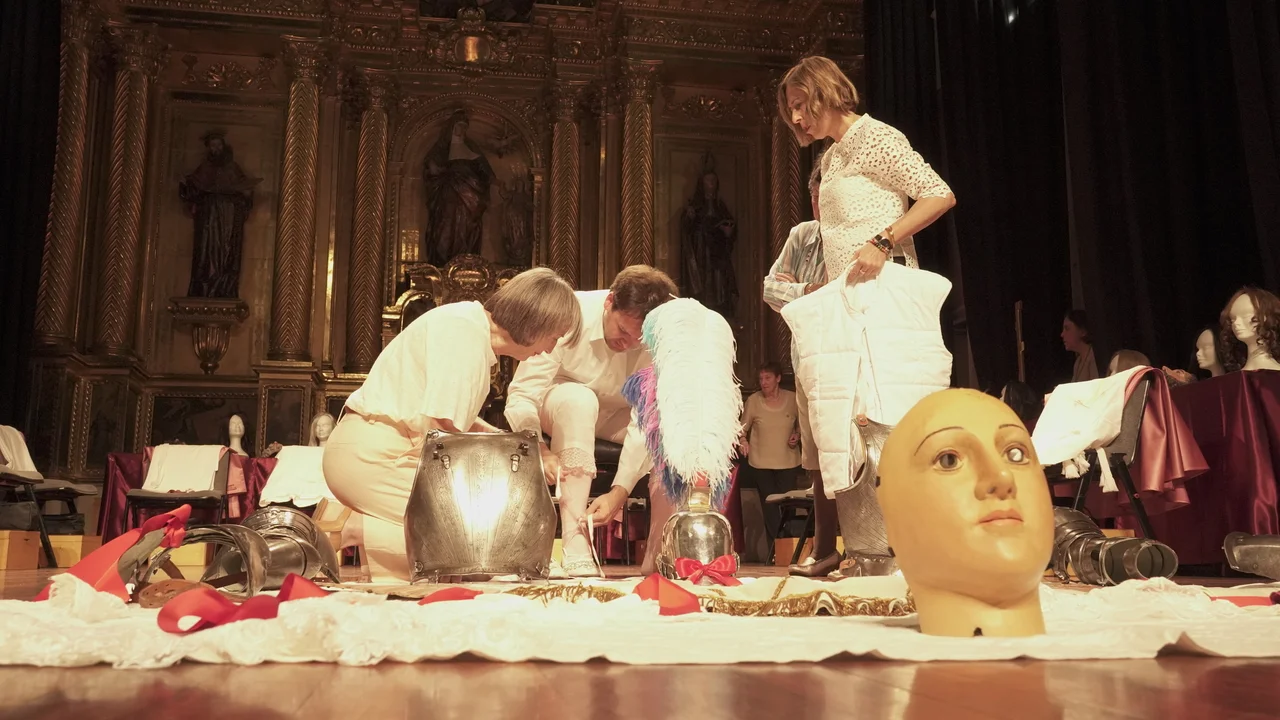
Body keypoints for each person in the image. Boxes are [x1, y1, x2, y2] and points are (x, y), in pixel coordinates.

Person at [777, 55, 956, 577]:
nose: (796, 118)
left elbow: (939, 194)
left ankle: (904, 546)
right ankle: (856, 546)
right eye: (790, 110)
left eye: (800, 105)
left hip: (883, 296)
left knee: (885, 413)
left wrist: (883, 240)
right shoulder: (832, 156)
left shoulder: (876, 137)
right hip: (846, 303)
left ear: (825, 91)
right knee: (842, 422)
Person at [323, 268, 581, 582]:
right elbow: (444, 433)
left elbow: (453, 420)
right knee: (480, 540)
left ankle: (359, 526)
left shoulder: (467, 327)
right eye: (554, 336)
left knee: (475, 561)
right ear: (536, 322)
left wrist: (515, 445)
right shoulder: (465, 333)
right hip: (374, 457)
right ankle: (353, 528)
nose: (550, 349)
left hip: (376, 451)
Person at [504, 265, 679, 577]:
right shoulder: (571, 314)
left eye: (637, 339)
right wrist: (538, 448)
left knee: (672, 431)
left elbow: (646, 416)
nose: (628, 343)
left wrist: (619, 492)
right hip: (559, 402)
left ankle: (660, 551)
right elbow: (523, 394)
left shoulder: (657, 337)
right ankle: (574, 539)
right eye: (623, 331)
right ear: (609, 301)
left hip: (618, 413)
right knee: (580, 400)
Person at [761, 160, 839, 577]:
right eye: (818, 198)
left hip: (852, 353)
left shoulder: (866, 234)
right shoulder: (804, 236)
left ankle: (874, 545)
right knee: (817, 456)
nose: (823, 205)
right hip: (808, 355)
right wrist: (809, 289)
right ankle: (825, 549)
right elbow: (770, 289)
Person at [737, 363, 802, 559]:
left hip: (788, 462)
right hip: (761, 463)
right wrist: (743, 442)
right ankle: (776, 552)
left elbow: (802, 425)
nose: (763, 382)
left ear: (778, 379)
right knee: (770, 508)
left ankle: (790, 549)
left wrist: (797, 435)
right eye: (761, 379)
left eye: (768, 378)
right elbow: (741, 430)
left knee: (788, 508)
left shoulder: (792, 399)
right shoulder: (754, 401)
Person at [1062, 309, 1098, 383]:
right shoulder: (1078, 362)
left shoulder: (1093, 358)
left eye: (1067, 329)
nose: (1062, 334)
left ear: (1082, 331)